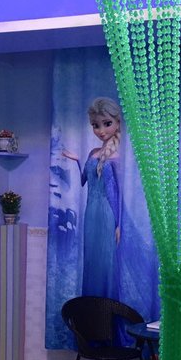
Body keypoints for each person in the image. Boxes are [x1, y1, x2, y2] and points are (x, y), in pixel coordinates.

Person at [62, 97, 122, 299]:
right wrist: (78, 160)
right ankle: (92, 309)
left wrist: (118, 224)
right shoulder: (93, 153)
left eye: (106, 123)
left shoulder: (116, 157)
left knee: (105, 261)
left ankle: (106, 308)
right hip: (91, 212)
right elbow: (83, 181)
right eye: (96, 125)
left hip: (107, 213)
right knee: (92, 259)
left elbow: (118, 193)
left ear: (117, 123)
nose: (101, 130)